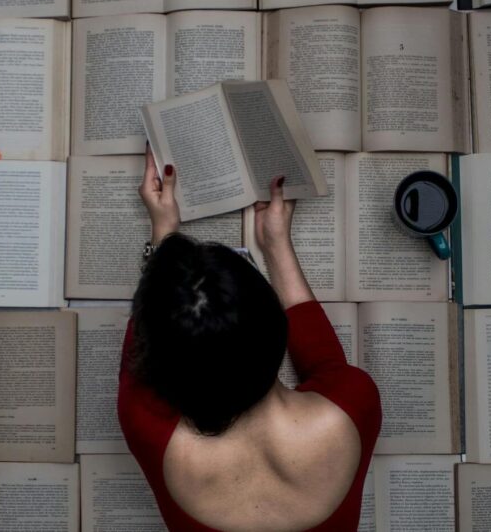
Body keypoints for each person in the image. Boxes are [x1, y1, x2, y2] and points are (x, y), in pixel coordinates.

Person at [118, 148, 382, 531]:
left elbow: (145, 340)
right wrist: (277, 245)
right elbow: (327, 366)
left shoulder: (145, 424)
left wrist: (163, 230)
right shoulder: (355, 406)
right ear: (279, 329)